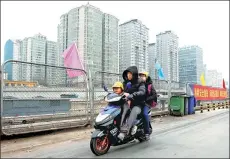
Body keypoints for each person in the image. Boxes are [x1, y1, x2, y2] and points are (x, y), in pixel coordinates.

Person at [118, 66, 146, 140]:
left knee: (133, 111)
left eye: (130, 74)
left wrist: (131, 95)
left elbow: (142, 92)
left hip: (138, 104)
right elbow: (122, 91)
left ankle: (124, 132)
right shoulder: (126, 83)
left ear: (134, 74)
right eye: (127, 74)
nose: (128, 75)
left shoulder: (140, 82)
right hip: (127, 103)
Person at [139, 71, 157, 141]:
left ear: (146, 77)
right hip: (138, 103)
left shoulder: (149, 85)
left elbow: (154, 95)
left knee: (144, 114)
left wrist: (146, 99)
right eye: (140, 76)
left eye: (143, 76)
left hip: (147, 103)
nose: (141, 77)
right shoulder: (138, 84)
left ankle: (147, 132)